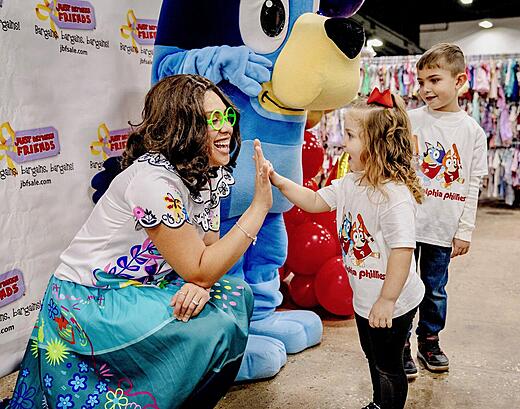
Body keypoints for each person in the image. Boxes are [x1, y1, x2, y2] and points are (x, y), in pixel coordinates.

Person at [7, 74, 273, 409]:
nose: (226, 129)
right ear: (182, 126)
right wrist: (259, 207)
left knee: (237, 296)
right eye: (212, 120)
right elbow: (201, 267)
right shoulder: (153, 182)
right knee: (212, 326)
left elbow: (208, 255)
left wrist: (201, 284)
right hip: (87, 300)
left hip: (143, 288)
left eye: (227, 117)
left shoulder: (206, 173)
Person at [263, 88, 425, 409]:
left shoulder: (394, 197)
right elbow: (314, 200)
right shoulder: (351, 183)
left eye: (350, 135)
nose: (341, 142)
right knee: (372, 355)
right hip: (365, 295)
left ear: (377, 145)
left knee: (389, 365)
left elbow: (403, 252)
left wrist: (387, 300)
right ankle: (378, 403)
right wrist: (280, 181)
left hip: (393, 301)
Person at [403, 43, 488, 378]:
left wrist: (464, 229)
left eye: (434, 80)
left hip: (442, 226)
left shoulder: (472, 133)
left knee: (435, 288)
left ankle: (430, 340)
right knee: (405, 285)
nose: (426, 89)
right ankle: (401, 344)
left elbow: (472, 185)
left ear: (460, 81)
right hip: (407, 224)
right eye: (421, 81)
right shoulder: (410, 120)